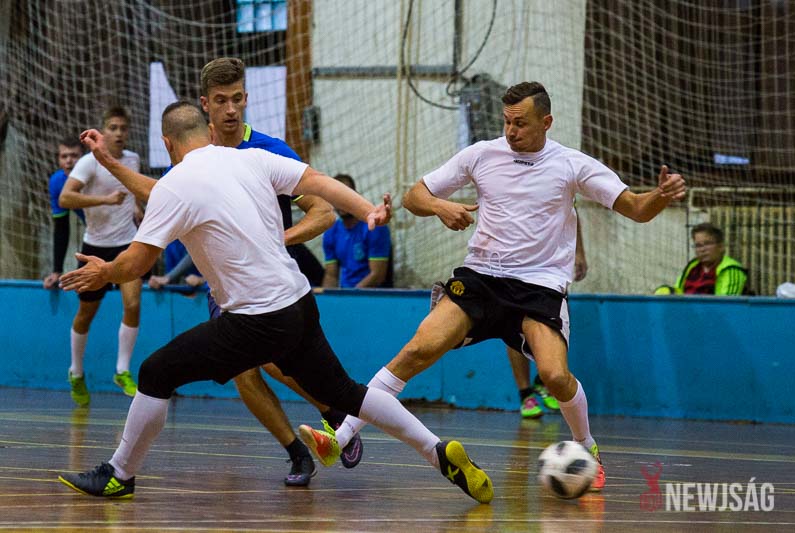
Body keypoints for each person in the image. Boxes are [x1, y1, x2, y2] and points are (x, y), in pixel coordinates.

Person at [56, 102, 493, 504]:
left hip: (255, 319)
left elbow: (136, 262)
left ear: (167, 144)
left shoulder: (177, 185)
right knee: (344, 392)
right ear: (209, 133)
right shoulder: (250, 159)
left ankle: (119, 474)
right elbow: (317, 181)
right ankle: (436, 451)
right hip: (298, 302)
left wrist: (104, 271)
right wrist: (367, 211)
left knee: (156, 372)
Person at [301, 81, 686, 493]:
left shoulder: (572, 164)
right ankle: (341, 437)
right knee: (416, 351)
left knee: (555, 377)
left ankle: (586, 447)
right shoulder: (482, 154)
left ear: (546, 122)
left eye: (521, 123)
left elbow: (636, 209)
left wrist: (660, 195)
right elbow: (415, 195)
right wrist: (440, 206)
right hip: (481, 278)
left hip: (539, 286)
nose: (511, 131)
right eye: (506, 121)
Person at [196, 57, 361, 486]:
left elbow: (323, 213)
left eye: (237, 99)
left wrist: (276, 240)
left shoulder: (270, 151)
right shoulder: (198, 157)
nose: (231, 109)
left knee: (272, 359)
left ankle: (333, 412)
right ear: (205, 105)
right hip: (223, 285)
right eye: (221, 100)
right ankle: (298, 454)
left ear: (247, 98)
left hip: (272, 283)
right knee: (244, 370)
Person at [58, 106, 142, 406]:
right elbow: (65, 198)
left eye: (123, 128)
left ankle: (122, 370)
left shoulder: (132, 159)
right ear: (103, 131)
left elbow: (132, 192)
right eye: (113, 127)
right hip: (95, 248)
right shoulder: (88, 162)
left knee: (133, 304)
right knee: (86, 313)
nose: (118, 133)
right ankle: (76, 371)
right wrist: (105, 200)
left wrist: (137, 209)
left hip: (127, 244)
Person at [510, 215, 586, 418]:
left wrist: (579, 252)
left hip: (552, 265)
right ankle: (525, 394)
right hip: (513, 262)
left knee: (557, 322)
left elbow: (572, 211)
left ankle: (543, 380)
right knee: (513, 326)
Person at [322, 174, 392, 288]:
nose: (341, 201)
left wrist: (350, 296)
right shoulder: (330, 232)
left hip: (371, 295)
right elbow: (331, 275)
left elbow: (377, 275)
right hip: (345, 293)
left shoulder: (374, 226)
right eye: (336, 197)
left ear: (356, 196)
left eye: (345, 195)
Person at [654, 222, 748, 295]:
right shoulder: (692, 267)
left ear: (721, 247)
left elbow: (726, 305)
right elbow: (679, 291)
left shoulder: (731, 269)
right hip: (686, 311)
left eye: (707, 243)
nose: (702, 249)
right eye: (698, 245)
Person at [44, 138, 86, 289]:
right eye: (64, 156)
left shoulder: (96, 176)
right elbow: (61, 228)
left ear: (84, 158)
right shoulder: (56, 182)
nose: (69, 161)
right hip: (96, 234)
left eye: (74, 156)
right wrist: (57, 271)